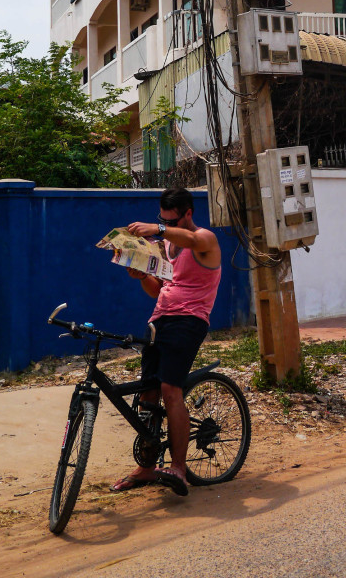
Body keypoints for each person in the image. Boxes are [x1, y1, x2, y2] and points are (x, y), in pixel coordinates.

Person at [110, 187, 221, 497]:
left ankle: (179, 468)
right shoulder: (166, 247)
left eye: (172, 220)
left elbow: (192, 240)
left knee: (171, 389)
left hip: (189, 321)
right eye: (162, 218)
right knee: (148, 393)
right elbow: (157, 290)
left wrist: (157, 228)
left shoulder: (204, 240)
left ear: (188, 213)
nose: (166, 224)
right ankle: (146, 467)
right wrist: (142, 275)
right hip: (159, 319)